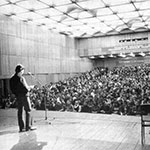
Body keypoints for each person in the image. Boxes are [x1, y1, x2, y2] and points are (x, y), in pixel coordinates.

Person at [10, 64, 36, 132]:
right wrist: (31, 87)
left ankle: (21, 127)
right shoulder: (21, 78)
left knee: (20, 112)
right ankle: (28, 126)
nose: (23, 72)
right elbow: (26, 88)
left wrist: (16, 94)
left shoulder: (12, 79)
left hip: (18, 97)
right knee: (28, 110)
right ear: (20, 71)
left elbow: (12, 89)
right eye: (23, 70)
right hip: (24, 96)